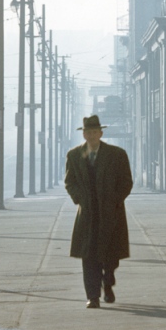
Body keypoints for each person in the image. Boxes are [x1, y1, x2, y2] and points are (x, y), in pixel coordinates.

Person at [65, 115, 133, 309]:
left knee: (111, 256)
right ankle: (92, 296)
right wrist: (80, 199)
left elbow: (126, 182)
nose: (92, 136)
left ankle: (108, 282)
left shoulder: (117, 154)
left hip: (111, 213)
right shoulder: (74, 155)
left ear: (101, 133)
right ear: (84, 134)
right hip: (88, 214)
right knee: (89, 256)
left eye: (95, 132)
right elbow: (70, 182)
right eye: (88, 132)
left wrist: (115, 200)